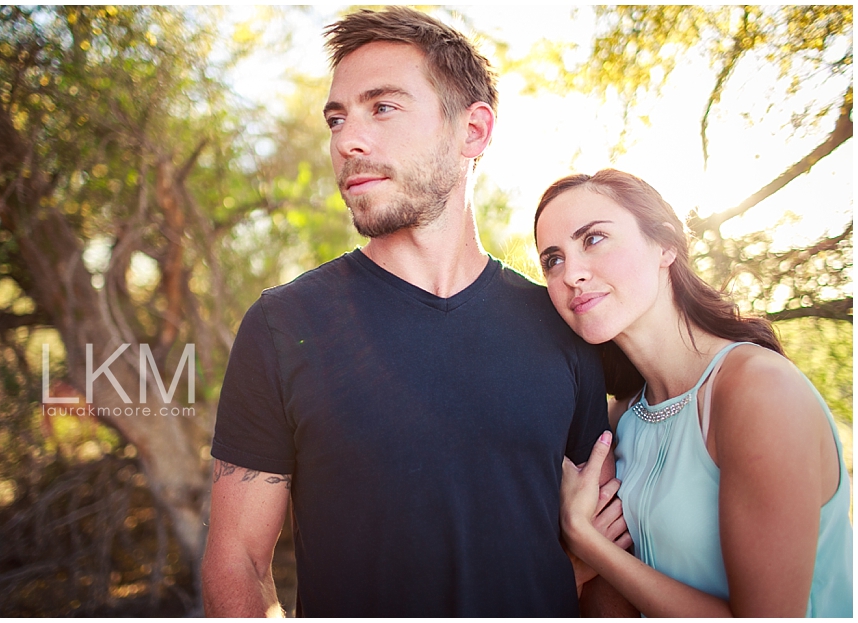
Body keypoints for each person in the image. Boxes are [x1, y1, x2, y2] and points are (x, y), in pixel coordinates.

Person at [202, 7, 629, 617]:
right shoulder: (282, 326)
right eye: (337, 118)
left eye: (383, 107)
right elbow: (237, 561)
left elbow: (606, 565)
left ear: (473, 132)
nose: (347, 139)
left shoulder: (565, 329)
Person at [533, 168, 853, 617]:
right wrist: (577, 567)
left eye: (594, 239)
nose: (572, 274)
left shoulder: (758, 389)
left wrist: (585, 539)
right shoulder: (618, 421)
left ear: (665, 245)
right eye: (553, 260)